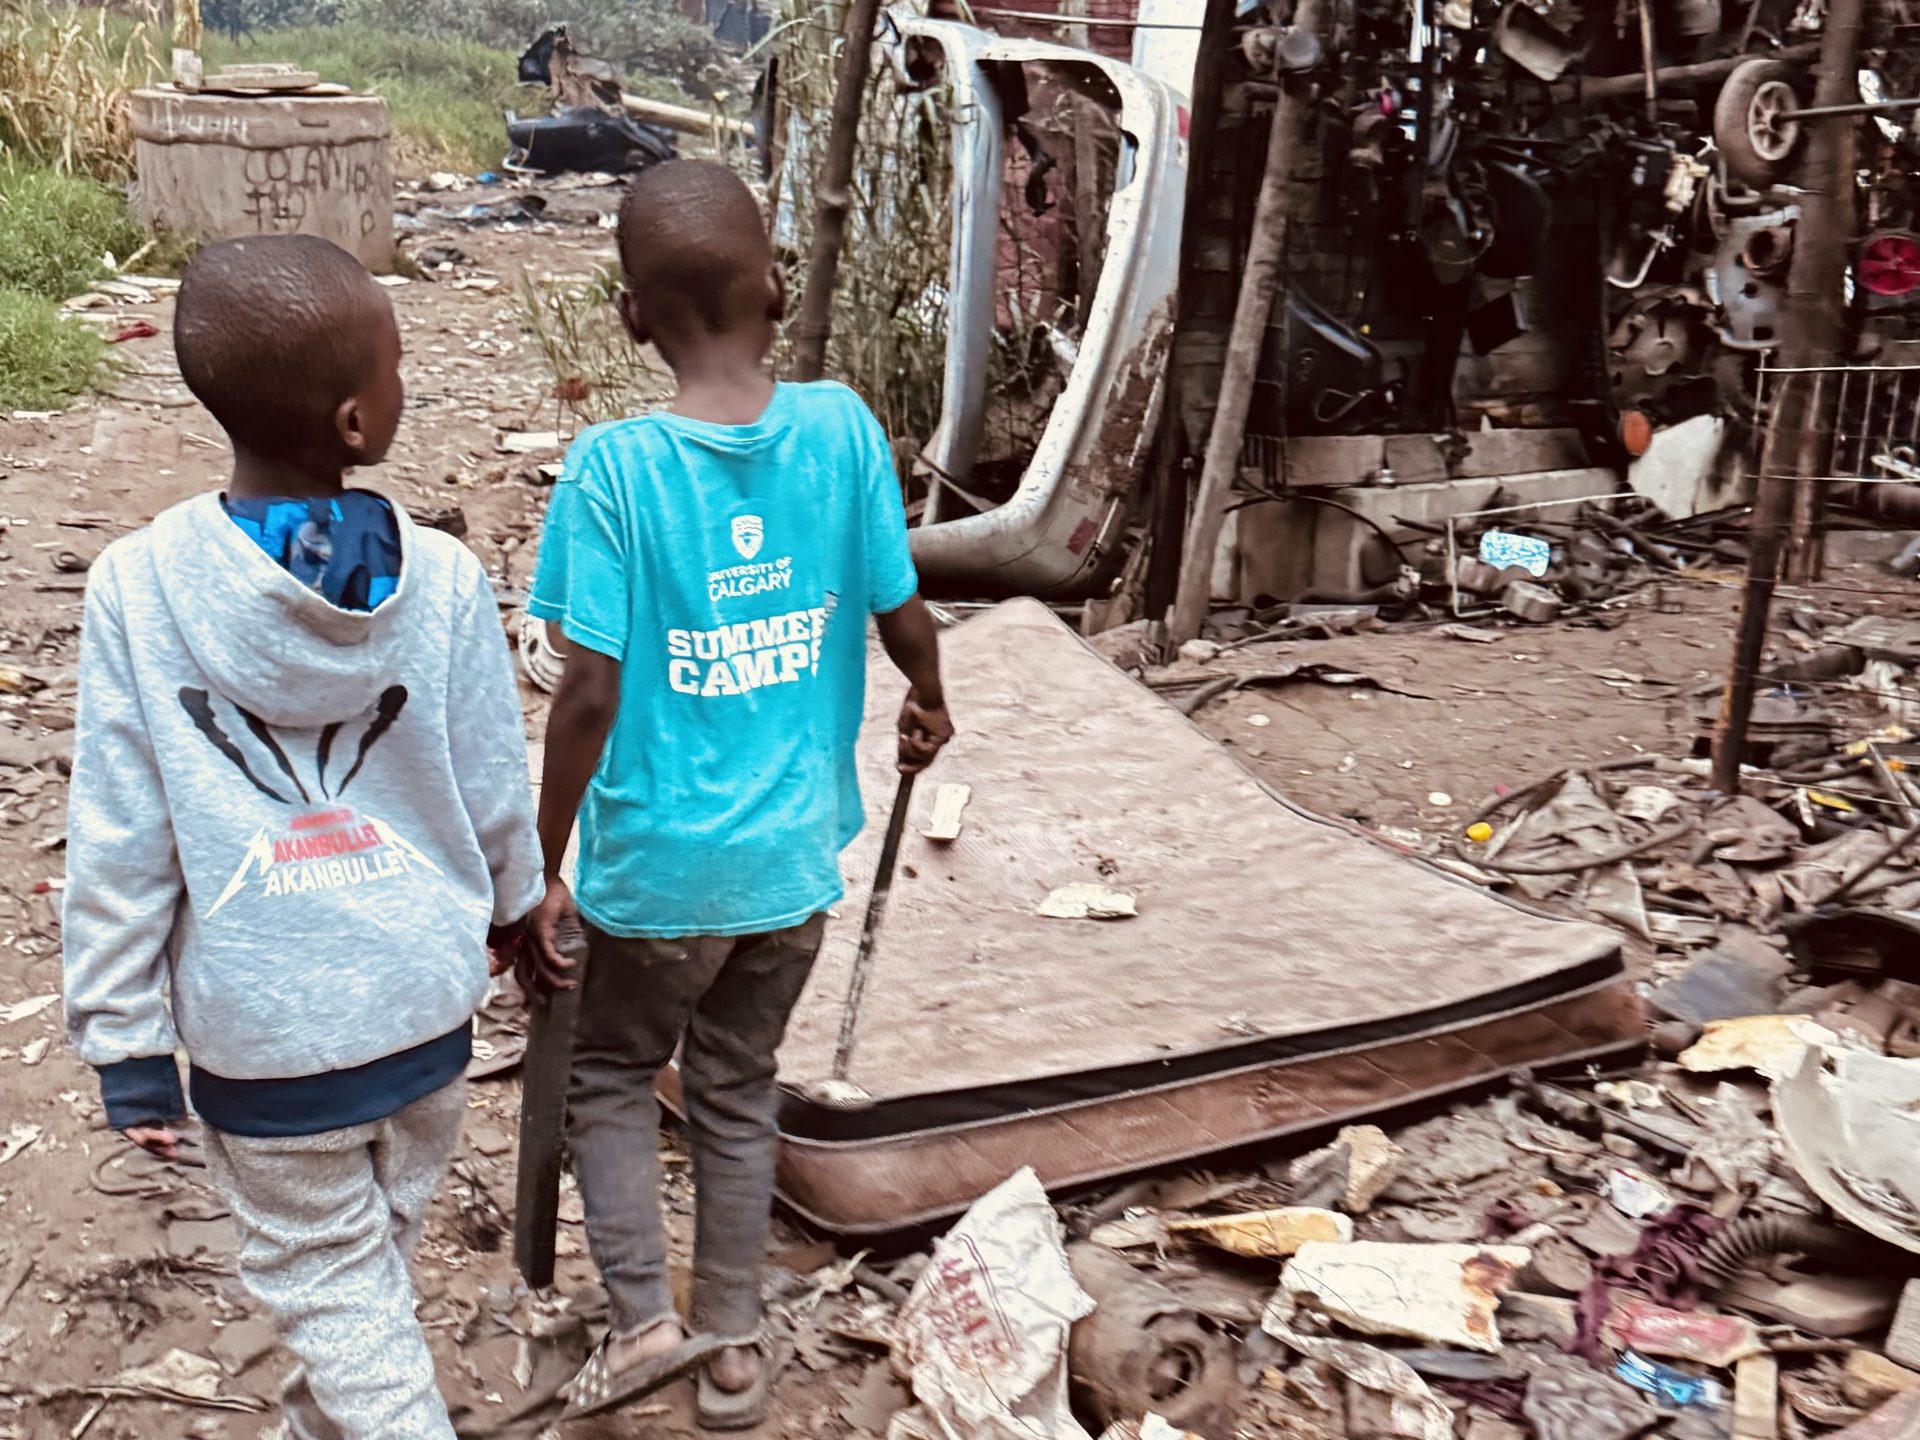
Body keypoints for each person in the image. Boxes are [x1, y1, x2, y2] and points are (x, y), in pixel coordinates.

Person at [61, 235, 543, 1440]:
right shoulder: (437, 579)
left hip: (268, 1044)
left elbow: (121, 830)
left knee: (340, 1289)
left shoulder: (142, 584)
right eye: (396, 363)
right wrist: (518, 910)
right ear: (353, 419)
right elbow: (493, 782)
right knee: (356, 1283)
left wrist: (126, 1037)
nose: (405, 382)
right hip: (427, 1022)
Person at [524, 159, 952, 1429]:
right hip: (786, 869)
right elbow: (900, 605)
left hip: (656, 876)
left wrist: (539, 865)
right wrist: (929, 696)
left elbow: (587, 692)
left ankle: (644, 1319)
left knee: (609, 1075)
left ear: (628, 316)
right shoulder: (841, 430)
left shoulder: (614, 472)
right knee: (735, 1085)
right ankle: (730, 1347)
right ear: (775, 287)